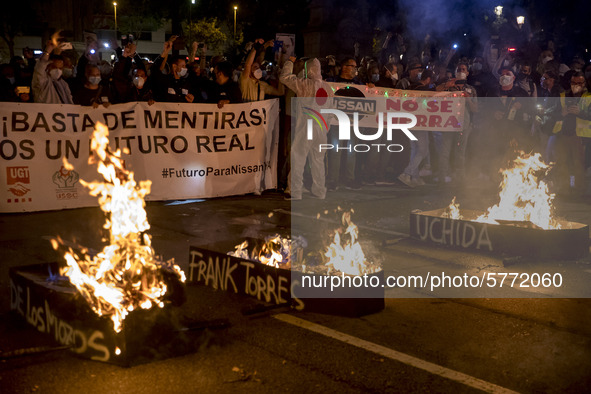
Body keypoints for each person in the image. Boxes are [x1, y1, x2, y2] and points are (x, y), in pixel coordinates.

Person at [279, 56, 333, 200]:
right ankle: (319, 190)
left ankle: (294, 191)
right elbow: (331, 112)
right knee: (318, 160)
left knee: (298, 157)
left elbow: (284, 77)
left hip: (307, 126)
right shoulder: (328, 87)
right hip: (321, 129)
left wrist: (289, 62)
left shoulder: (305, 84)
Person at [546, 72, 590, 197]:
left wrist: (581, 113)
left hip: (580, 136)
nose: (575, 86)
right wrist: (562, 113)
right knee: (561, 162)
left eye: (579, 83)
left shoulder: (588, 97)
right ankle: (563, 189)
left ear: (584, 84)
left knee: (579, 164)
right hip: (562, 134)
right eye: (573, 83)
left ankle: (579, 190)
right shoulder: (562, 96)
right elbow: (551, 112)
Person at [398, 70, 435, 187]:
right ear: (428, 79)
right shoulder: (422, 90)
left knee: (415, 150)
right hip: (419, 123)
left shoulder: (411, 88)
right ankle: (406, 173)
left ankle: (414, 177)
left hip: (411, 122)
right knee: (423, 150)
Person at [32, 38, 73, 104]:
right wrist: (48, 51)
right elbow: (40, 67)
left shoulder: (63, 84)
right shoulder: (43, 82)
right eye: (54, 67)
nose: (57, 70)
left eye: (60, 68)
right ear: (47, 67)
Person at [152, 39, 194, 103]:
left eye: (185, 66)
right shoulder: (165, 81)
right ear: (174, 67)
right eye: (182, 66)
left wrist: (191, 100)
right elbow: (154, 70)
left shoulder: (186, 83)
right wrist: (165, 52)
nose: (185, 68)